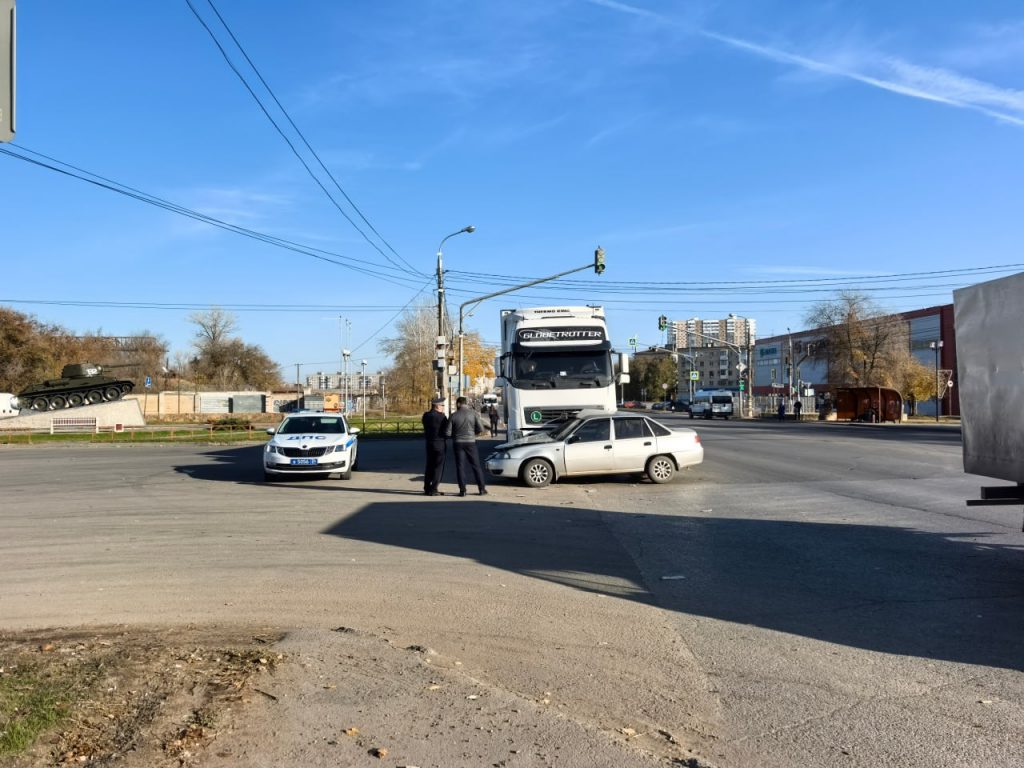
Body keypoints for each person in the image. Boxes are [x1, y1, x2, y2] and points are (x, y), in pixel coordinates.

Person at [445, 396, 488, 497]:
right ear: (466, 403)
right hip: (471, 442)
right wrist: (474, 434)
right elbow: (481, 429)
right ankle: (482, 489)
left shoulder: (453, 415)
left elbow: (447, 433)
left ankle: (462, 490)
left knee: (460, 467)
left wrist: (455, 435)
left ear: (459, 404)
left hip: (458, 443)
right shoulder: (473, 414)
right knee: (476, 466)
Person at [421, 397, 448, 496]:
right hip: (440, 444)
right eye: (442, 405)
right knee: (438, 467)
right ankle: (434, 489)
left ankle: (427, 487)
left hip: (429, 443)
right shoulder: (441, 417)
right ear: (437, 406)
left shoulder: (426, 416)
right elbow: (446, 431)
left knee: (429, 466)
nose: (443, 407)